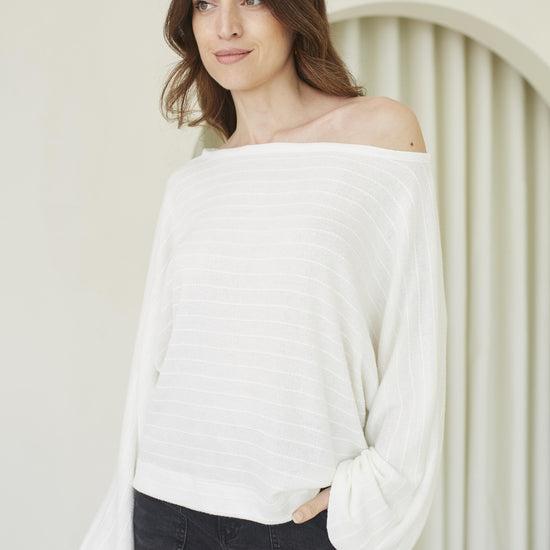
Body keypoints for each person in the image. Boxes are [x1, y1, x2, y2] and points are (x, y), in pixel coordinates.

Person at [80, 0, 447, 549]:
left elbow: (412, 337)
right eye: (205, 4)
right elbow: (153, 361)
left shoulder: (380, 134)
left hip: (299, 515)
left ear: (295, 12)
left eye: (250, 0)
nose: (226, 26)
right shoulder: (193, 185)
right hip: (167, 503)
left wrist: (376, 496)